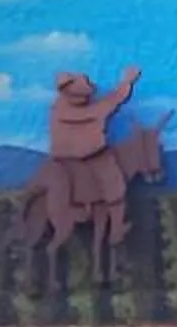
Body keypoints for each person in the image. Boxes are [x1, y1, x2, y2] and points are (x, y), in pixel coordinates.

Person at [48, 66, 143, 221]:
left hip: (62, 156)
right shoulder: (96, 110)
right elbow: (115, 99)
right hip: (91, 154)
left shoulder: (57, 108)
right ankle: (117, 224)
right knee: (113, 180)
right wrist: (127, 81)